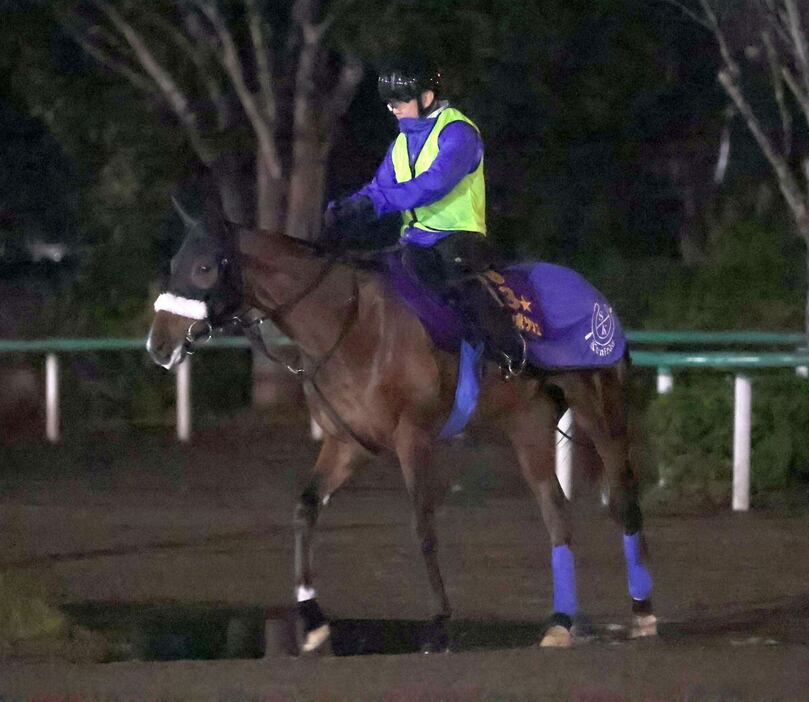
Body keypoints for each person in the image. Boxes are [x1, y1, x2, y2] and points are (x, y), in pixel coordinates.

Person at [324, 59, 525, 379]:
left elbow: (433, 184)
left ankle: (510, 352)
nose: (393, 109)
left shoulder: (459, 133)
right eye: (389, 103)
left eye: (399, 101)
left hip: (459, 238)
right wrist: (349, 207)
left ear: (427, 97)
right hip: (413, 240)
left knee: (456, 282)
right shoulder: (401, 143)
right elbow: (380, 188)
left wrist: (378, 203)